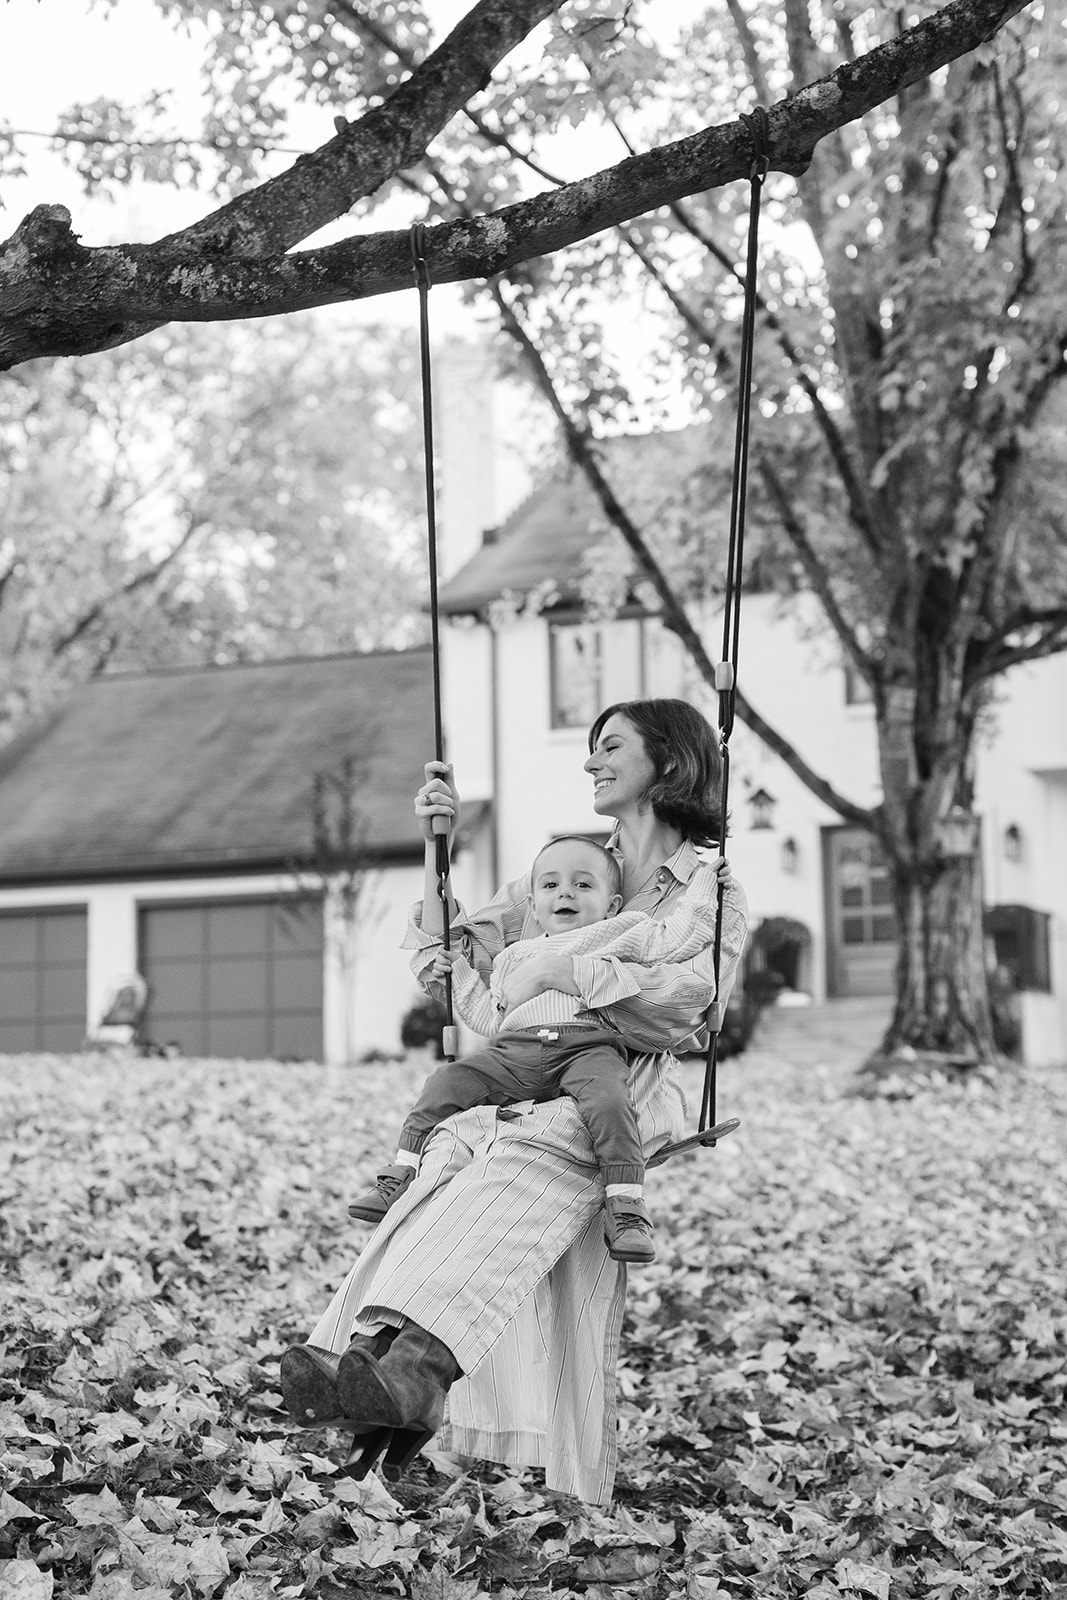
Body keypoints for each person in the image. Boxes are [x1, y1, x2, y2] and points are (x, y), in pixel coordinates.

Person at [280, 698, 748, 1505]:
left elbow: (683, 1007)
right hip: (522, 1073)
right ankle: (377, 1379)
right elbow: (460, 965)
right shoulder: (564, 867)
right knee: (447, 1163)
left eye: (610, 747)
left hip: (613, 1091)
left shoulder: (710, 893)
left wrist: (562, 969)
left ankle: (409, 1375)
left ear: (668, 763)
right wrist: (434, 849)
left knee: (529, 1157)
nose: (591, 761)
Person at [348, 833, 729, 1264]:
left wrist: (705, 886)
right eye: (550, 885)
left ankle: (625, 1205)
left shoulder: (622, 932)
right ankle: (402, 1171)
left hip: (586, 1047)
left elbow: (678, 937)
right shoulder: (515, 956)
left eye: (582, 884)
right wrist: (460, 972)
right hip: (517, 1051)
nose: (565, 892)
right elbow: (490, 1017)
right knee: (446, 1080)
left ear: (612, 904)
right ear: (533, 905)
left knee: (610, 1100)